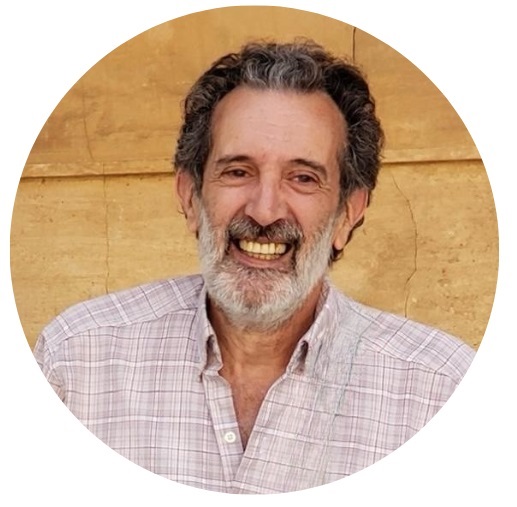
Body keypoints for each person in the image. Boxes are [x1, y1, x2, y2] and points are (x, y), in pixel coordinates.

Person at [34, 39, 475, 494]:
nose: (264, 212)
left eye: (303, 178)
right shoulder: (78, 362)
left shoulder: (440, 392)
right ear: (190, 197)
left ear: (348, 213)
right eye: (238, 171)